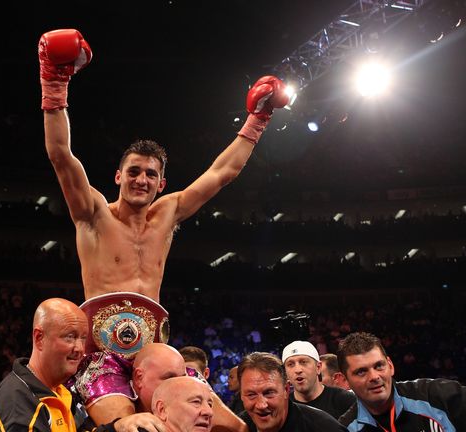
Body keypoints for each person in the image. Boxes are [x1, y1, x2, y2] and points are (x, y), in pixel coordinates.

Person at [38, 27, 288, 426]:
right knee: (133, 426)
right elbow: (59, 154)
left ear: (161, 183)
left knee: (233, 426)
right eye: (133, 171)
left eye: (150, 174)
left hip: (154, 351)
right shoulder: (94, 214)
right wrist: (53, 83)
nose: (141, 180)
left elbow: (222, 172)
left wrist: (258, 119)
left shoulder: (168, 212)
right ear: (118, 177)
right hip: (100, 354)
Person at [0, 298, 163, 432]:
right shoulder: (18, 405)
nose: (79, 349)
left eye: (83, 338)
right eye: (70, 337)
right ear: (39, 338)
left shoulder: (59, 391)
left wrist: (117, 427)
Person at [337, 331, 466, 431]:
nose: (374, 377)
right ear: (346, 381)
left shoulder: (435, 395)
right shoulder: (345, 428)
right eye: (361, 372)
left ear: (390, 365)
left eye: (379, 366)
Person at [237, 352, 346, 432]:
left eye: (269, 392)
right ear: (241, 395)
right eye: (251, 395)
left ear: (286, 390)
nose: (261, 405)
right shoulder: (237, 427)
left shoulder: (324, 428)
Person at [281, 341, 354, 419]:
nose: (298, 370)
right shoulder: (283, 407)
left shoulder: (345, 400)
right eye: (290, 364)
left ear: (318, 367)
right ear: (285, 373)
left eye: (303, 362)